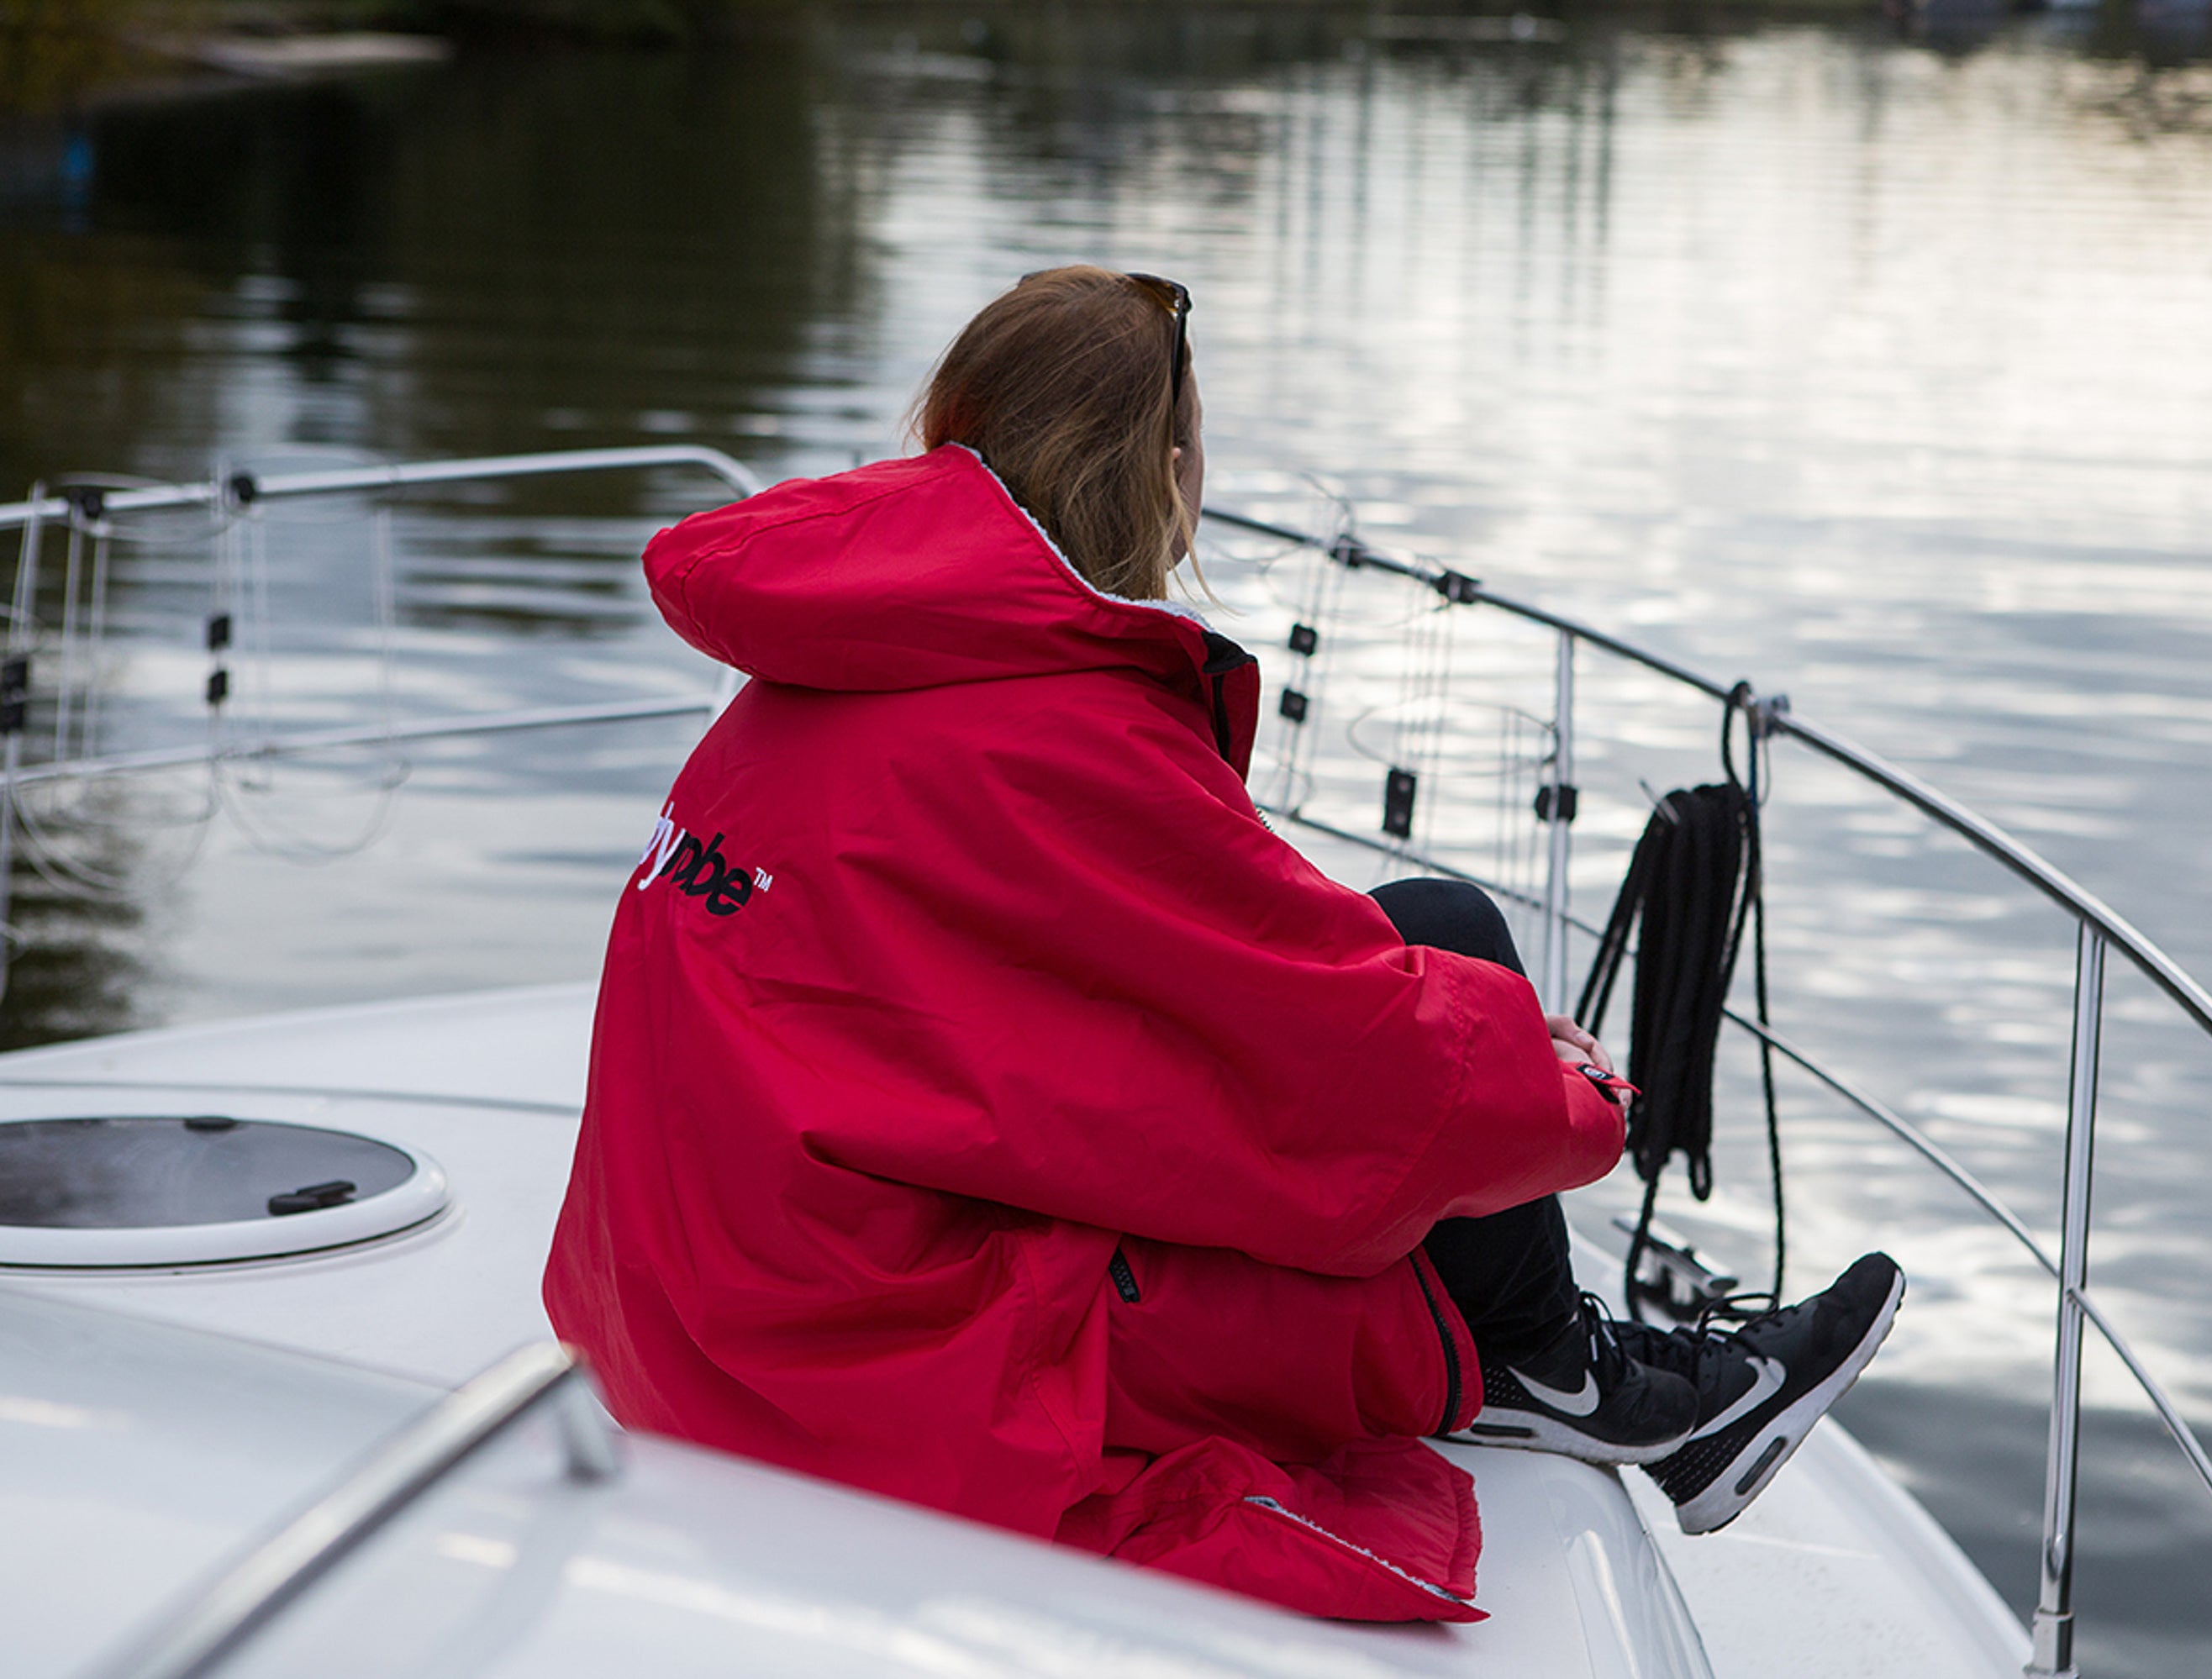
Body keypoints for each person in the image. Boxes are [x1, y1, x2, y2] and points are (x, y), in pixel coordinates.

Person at [543, 266, 1901, 1624]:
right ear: (1168, 469)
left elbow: (1165, 979)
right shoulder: (1059, 726)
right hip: (874, 1351)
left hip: (683, 1303)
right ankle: (1595, 1389)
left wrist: (1461, 1028)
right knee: (1412, 1100)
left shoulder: (835, 663)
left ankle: (1555, 1364)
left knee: (1428, 938)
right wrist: (1570, 1097)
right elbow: (1355, 1063)